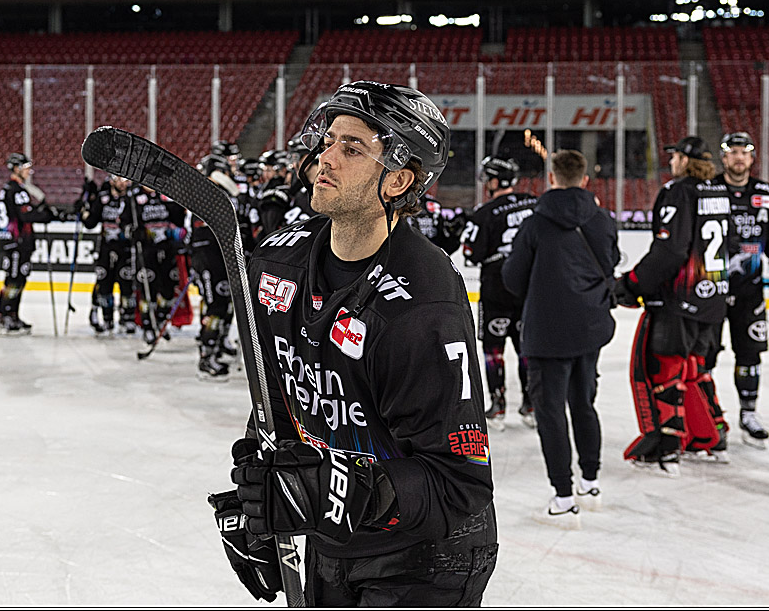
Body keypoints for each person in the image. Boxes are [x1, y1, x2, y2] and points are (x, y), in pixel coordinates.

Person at [209, 81, 497, 606]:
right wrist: (261, 497)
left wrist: (331, 492)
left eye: (353, 148)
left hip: (426, 558)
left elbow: (460, 485)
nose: (326, 158)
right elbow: (279, 398)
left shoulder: (421, 304)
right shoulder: (279, 263)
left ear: (398, 181)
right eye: (328, 142)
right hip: (332, 545)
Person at [501, 149, 618, 529]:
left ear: (551, 178)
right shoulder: (602, 221)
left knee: (551, 413)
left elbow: (512, 280)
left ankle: (564, 497)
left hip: (548, 332)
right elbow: (611, 263)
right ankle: (591, 483)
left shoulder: (535, 225)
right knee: (584, 404)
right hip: (590, 327)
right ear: (585, 180)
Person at [613, 136, 732, 476]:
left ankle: (667, 448)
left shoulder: (678, 192)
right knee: (697, 368)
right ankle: (713, 436)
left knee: (665, 371)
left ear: (684, 160)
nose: (673, 162)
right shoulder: (718, 193)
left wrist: (633, 283)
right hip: (712, 298)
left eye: (675, 156)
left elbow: (670, 251)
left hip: (679, 299)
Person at [712, 131, 769, 448]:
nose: (738, 157)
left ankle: (748, 413)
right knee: (703, 355)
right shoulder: (707, 189)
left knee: (749, 354)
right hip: (711, 289)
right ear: (724, 157)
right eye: (732, 152)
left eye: (743, 152)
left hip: (750, 291)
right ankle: (706, 413)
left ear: (751, 157)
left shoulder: (768, 194)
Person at [461, 156, 538, 430]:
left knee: (494, 349)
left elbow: (471, 252)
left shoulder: (485, 212)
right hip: (529, 288)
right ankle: (532, 405)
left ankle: (498, 405)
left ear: (494, 181)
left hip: (497, 289)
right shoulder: (534, 202)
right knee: (527, 346)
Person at [0, 152, 60, 334]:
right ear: (16, 169)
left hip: (14, 241)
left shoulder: (11, 189)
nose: (29, 171)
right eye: (26, 168)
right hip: (16, 242)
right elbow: (25, 214)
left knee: (16, 280)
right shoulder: (16, 190)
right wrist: (48, 215)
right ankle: (6, 315)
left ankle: (9, 315)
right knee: (14, 280)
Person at [190, 152, 240, 378]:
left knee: (226, 306)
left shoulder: (222, 194)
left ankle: (217, 346)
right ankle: (206, 355)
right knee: (215, 308)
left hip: (221, 259)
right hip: (208, 260)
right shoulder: (203, 195)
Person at [80, 174, 136, 335]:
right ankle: (107, 318)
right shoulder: (103, 198)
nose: (124, 183)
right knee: (104, 284)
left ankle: (127, 318)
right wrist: (84, 209)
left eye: (126, 180)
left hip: (125, 249)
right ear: (112, 181)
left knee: (126, 284)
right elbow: (91, 222)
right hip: (105, 249)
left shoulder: (132, 199)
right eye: (120, 180)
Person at [130, 184, 187, 343]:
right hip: (147, 251)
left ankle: (161, 318)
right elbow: (126, 220)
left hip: (167, 250)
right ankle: (148, 325)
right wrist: (135, 232)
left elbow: (179, 219)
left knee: (168, 288)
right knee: (148, 289)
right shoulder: (135, 197)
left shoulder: (166, 195)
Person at [407, 190, 467, 255]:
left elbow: (441, 229)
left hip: (432, 248)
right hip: (414, 248)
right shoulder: (404, 205)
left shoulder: (433, 204)